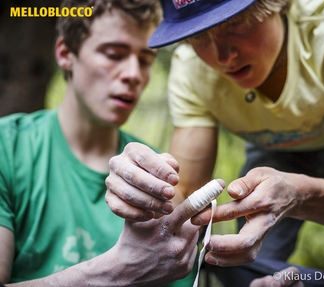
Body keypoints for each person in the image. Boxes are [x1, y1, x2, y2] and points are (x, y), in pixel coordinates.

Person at [105, 0, 324, 286]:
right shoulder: (191, 69)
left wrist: (299, 195)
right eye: (198, 36)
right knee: (244, 266)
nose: (222, 57)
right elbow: (186, 190)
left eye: (234, 23)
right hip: (271, 156)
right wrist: (147, 200)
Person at [0, 0, 200, 286]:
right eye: (114, 54)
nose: (133, 74)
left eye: (145, 60)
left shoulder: (157, 175)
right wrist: (121, 269)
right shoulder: (7, 149)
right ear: (65, 54)